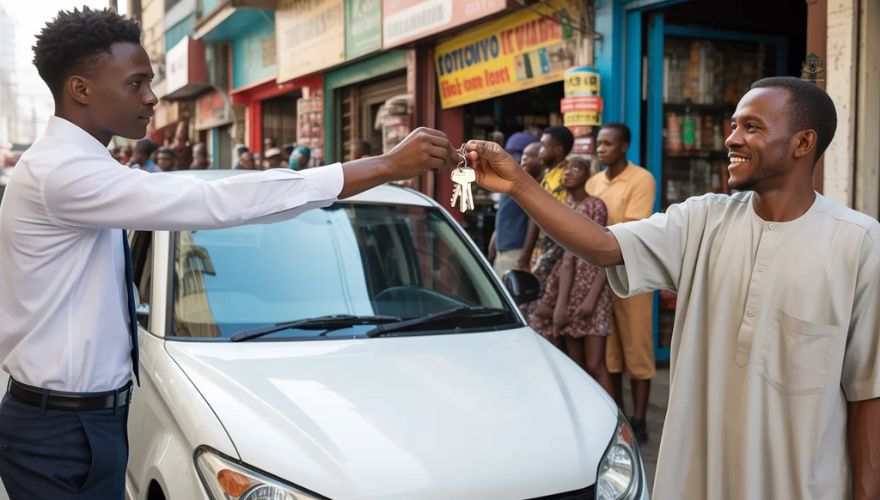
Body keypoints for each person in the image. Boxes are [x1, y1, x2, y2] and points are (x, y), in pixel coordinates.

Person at [0, 8, 456, 499]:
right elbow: (212, 201)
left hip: (87, 419)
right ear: (81, 89)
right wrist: (382, 165)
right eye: (136, 84)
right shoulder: (62, 173)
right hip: (59, 428)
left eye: (149, 82)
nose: (152, 97)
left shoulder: (87, 166)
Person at [465, 77, 880, 499]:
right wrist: (518, 184)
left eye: (751, 127)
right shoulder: (703, 220)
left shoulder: (856, 243)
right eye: (733, 125)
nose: (732, 139)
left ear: (803, 142)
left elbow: (868, 392)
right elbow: (604, 245)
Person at [586, 122, 656, 442]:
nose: (601, 148)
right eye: (599, 143)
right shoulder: (593, 182)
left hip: (633, 274)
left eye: (608, 143)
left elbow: (631, 230)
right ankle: (621, 414)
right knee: (610, 352)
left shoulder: (641, 179)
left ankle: (641, 419)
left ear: (624, 146)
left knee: (637, 349)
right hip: (600, 276)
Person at [528, 156, 613, 395]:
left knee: (596, 364)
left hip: (593, 291)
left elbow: (604, 254)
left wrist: (591, 299)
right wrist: (561, 303)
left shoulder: (595, 205)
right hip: (571, 290)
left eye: (577, 169)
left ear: (588, 175)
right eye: (566, 169)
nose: (569, 173)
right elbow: (566, 261)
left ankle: (618, 418)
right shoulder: (567, 207)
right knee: (579, 367)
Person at [518, 126, 574, 292]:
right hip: (543, 247)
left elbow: (550, 218)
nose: (540, 151)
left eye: (543, 146)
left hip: (555, 250)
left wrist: (526, 255)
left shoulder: (564, 177)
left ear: (557, 150)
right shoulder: (548, 176)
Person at [488, 141, 542, 277]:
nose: (524, 159)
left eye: (529, 156)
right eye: (523, 155)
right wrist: (493, 246)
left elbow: (533, 221)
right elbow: (502, 217)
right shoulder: (510, 183)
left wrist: (525, 255)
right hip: (501, 250)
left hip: (515, 251)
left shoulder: (532, 187)